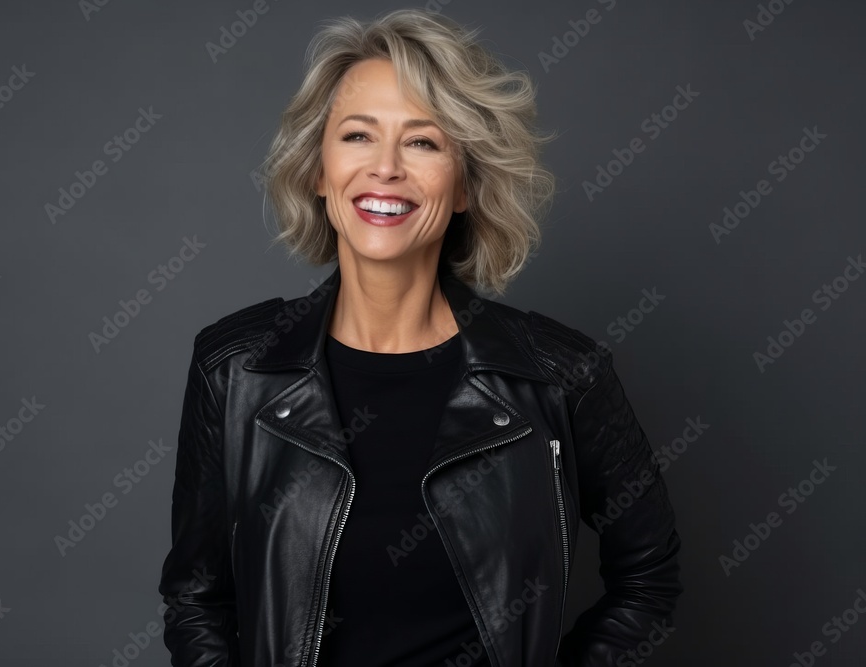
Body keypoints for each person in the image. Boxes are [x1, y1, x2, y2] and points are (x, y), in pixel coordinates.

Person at [158, 8, 682, 667]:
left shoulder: (557, 374)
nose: (385, 168)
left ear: (464, 184)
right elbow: (196, 598)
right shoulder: (236, 369)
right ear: (319, 171)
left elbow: (648, 576)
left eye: (423, 142)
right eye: (357, 136)